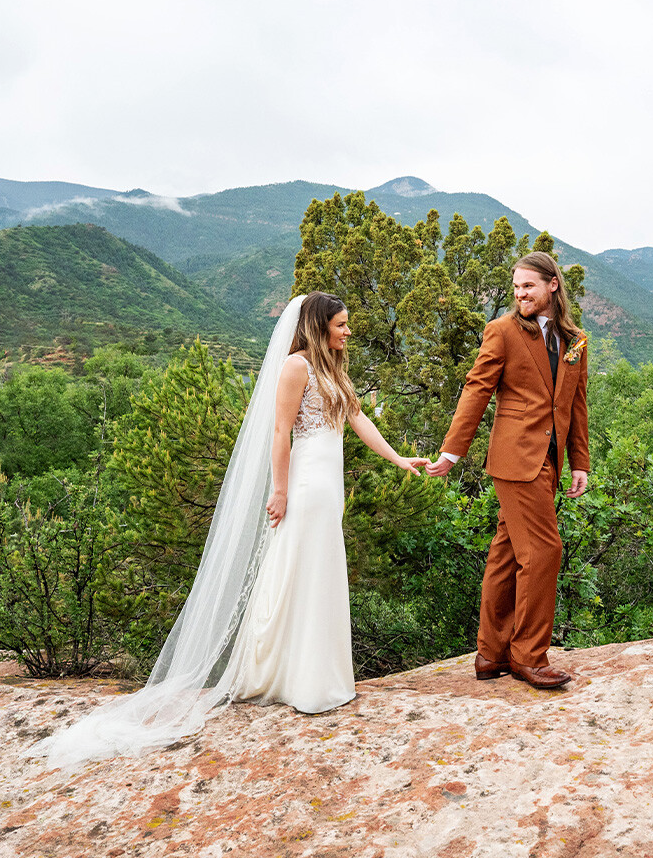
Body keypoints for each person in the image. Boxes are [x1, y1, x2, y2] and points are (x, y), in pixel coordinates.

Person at [29, 292, 424, 768]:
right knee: (297, 570)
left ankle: (316, 674)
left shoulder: (335, 367)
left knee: (317, 572)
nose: (348, 331)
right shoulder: (296, 367)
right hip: (305, 482)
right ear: (319, 326)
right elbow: (281, 432)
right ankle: (295, 678)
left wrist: (400, 460)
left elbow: (357, 418)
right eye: (340, 325)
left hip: (329, 483)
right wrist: (279, 490)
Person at [427, 252, 590, 689]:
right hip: (517, 460)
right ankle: (529, 657)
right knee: (544, 551)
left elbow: (576, 404)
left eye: (528, 287)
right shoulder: (501, 332)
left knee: (506, 551)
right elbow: (476, 390)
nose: (520, 295)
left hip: (551, 462)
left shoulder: (575, 340)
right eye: (516, 288)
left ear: (552, 285)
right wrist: (452, 453)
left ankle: (491, 654)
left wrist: (580, 463)